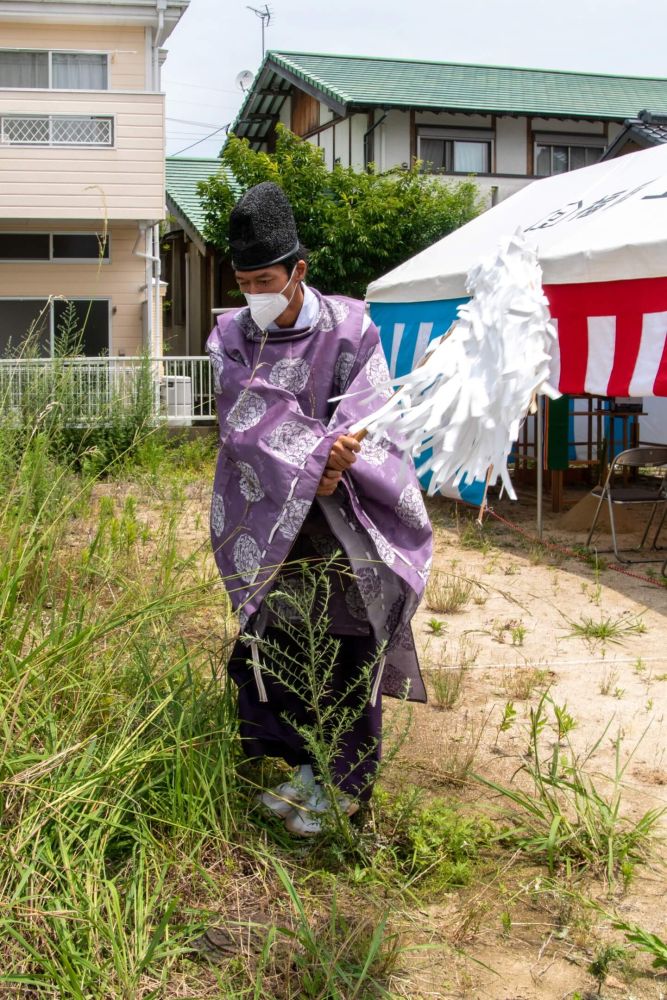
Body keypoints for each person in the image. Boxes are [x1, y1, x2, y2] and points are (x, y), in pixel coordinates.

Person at [207, 182, 432, 836]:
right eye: (244, 280)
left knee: (345, 649)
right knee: (276, 641)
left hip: (340, 524)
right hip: (271, 519)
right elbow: (241, 421)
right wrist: (310, 460)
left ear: (298, 270)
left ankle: (345, 790)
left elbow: (371, 409)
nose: (254, 292)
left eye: (266, 278)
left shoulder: (352, 327)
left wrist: (344, 457)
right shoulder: (230, 336)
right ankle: (299, 772)